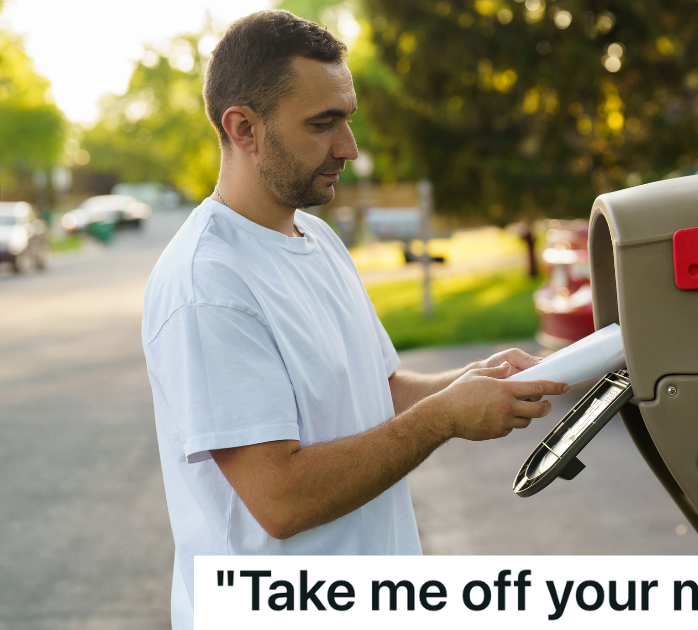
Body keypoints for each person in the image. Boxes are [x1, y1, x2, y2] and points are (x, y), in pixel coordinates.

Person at [140, 10, 568, 629]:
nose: (349, 147)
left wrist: (473, 379)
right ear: (243, 128)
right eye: (323, 124)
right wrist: (445, 417)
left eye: (347, 119)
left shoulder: (316, 238)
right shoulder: (208, 283)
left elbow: (378, 390)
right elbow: (281, 499)